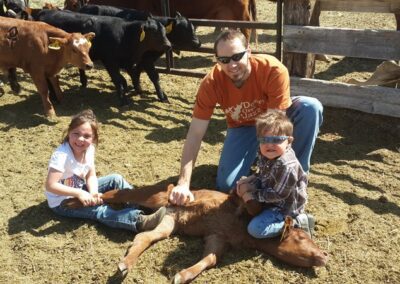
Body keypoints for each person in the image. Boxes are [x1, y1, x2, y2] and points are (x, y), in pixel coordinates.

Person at [169, 30, 323, 205]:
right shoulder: (211, 83)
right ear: (217, 60)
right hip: (242, 126)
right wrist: (183, 183)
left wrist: (270, 166)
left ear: (248, 52)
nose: (232, 65)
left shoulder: (272, 69)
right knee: (226, 185)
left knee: (310, 107)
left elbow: (275, 125)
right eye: (224, 60)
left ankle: (295, 176)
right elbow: (195, 134)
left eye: (237, 57)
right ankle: (257, 164)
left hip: (273, 119)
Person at [45, 109, 166, 232]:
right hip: (62, 201)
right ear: (69, 132)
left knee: (116, 179)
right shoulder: (61, 155)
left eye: (87, 136)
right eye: (76, 134)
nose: (81, 139)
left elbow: (91, 175)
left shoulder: (89, 149)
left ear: (93, 138)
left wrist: (93, 192)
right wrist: (80, 193)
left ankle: (142, 204)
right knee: (99, 210)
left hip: (81, 188)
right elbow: (51, 185)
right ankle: (140, 221)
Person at [236, 110, 314, 238]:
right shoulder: (266, 153)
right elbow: (262, 173)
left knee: (256, 229)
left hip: (283, 206)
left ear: (289, 141)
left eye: (276, 140)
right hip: (269, 190)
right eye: (264, 139)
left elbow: (278, 195)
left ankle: (296, 222)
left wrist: (253, 194)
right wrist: (251, 179)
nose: (269, 144)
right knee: (243, 185)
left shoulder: (287, 166)